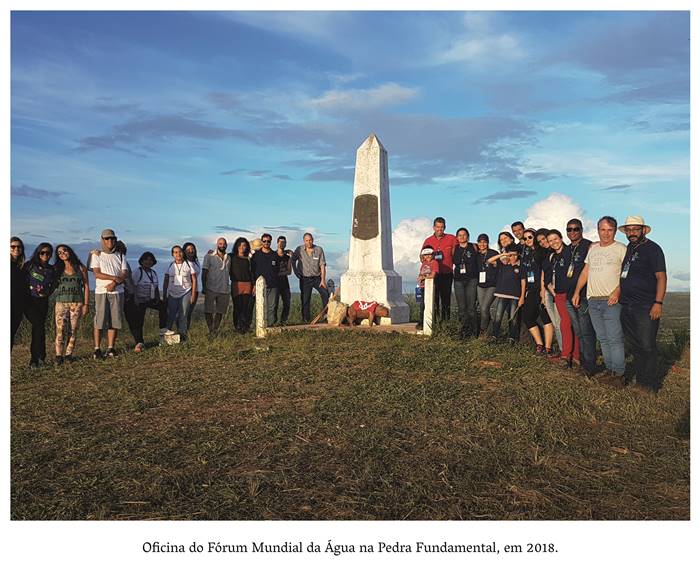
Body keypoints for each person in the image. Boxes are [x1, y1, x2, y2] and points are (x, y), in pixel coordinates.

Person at [572, 216, 627, 387]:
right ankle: (611, 371)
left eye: (610, 230)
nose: (606, 233)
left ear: (615, 231)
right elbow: (585, 272)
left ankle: (619, 374)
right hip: (593, 299)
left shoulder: (621, 249)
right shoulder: (593, 249)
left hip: (611, 300)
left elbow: (626, 274)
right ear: (597, 230)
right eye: (603, 229)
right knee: (603, 338)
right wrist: (576, 292)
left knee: (614, 339)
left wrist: (617, 291)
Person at [617, 216, 667, 394]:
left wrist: (658, 302)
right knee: (635, 345)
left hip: (645, 305)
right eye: (629, 230)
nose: (631, 233)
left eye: (635, 229)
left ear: (643, 230)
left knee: (647, 345)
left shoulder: (653, 249)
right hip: (627, 305)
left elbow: (661, 277)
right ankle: (641, 380)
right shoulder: (630, 248)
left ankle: (650, 384)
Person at [563, 218, 597, 376]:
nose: (572, 232)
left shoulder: (589, 246)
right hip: (569, 296)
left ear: (581, 230)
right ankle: (584, 362)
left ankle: (589, 365)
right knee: (579, 331)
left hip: (583, 295)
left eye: (575, 229)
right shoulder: (567, 249)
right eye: (569, 229)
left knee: (587, 332)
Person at [89, 229, 129, 359]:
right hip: (101, 291)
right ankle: (97, 349)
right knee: (99, 321)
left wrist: (114, 283)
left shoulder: (121, 255)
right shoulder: (97, 255)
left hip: (117, 292)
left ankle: (111, 348)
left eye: (112, 238)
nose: (109, 241)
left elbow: (124, 273)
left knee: (114, 321)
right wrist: (115, 278)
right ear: (102, 240)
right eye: (106, 239)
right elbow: (97, 273)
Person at [546, 229, 581, 368]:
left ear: (561, 238)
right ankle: (568, 354)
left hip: (570, 293)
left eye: (555, 239)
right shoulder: (553, 257)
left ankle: (572, 355)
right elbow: (550, 276)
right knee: (565, 324)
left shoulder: (569, 252)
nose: (553, 242)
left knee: (570, 324)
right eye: (550, 241)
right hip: (558, 294)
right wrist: (551, 289)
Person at [518, 229, 555, 355]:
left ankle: (548, 347)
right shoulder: (525, 255)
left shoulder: (543, 252)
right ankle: (540, 343)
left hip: (542, 289)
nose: (528, 240)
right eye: (525, 238)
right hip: (531, 290)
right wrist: (522, 296)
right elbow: (523, 277)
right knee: (527, 317)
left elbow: (545, 272)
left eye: (530, 237)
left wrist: (543, 291)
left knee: (545, 317)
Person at [53, 245, 89, 364]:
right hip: (61, 302)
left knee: (73, 329)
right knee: (60, 329)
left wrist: (86, 304)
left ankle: (69, 354)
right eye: (59, 253)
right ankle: (59, 355)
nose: (63, 253)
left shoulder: (80, 268)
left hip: (76, 302)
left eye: (65, 251)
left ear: (70, 251)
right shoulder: (57, 269)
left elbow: (86, 286)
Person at [24, 243, 57, 367]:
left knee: (39, 328)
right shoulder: (29, 266)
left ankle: (40, 357)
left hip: (43, 301)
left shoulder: (51, 269)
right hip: (29, 301)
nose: (45, 255)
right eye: (42, 252)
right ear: (38, 253)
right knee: (38, 325)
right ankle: (35, 358)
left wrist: (47, 293)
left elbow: (54, 285)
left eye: (48, 253)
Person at [422, 217, 457, 322]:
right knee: (434, 300)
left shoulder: (451, 238)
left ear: (445, 227)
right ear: (433, 227)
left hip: (447, 274)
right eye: (437, 227)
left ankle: (445, 324)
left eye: (442, 227)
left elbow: (459, 251)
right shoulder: (428, 240)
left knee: (446, 300)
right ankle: (435, 324)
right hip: (433, 275)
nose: (439, 229)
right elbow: (422, 257)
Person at [128, 251, 163, 352]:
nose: (148, 262)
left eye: (150, 260)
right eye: (146, 260)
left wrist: (157, 298)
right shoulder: (137, 272)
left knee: (164, 306)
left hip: (150, 299)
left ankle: (163, 330)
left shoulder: (153, 273)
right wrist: (135, 299)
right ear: (142, 261)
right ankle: (139, 342)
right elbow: (132, 286)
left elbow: (156, 287)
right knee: (139, 320)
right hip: (139, 300)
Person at [292, 232, 329, 323]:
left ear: (313, 240)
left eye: (310, 240)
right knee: (305, 299)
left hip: (317, 278)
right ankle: (306, 320)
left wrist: (323, 280)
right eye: (307, 240)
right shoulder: (299, 249)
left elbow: (322, 265)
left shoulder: (319, 249)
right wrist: (296, 272)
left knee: (325, 294)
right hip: (304, 278)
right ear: (304, 241)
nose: (309, 242)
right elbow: (293, 260)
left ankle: (326, 316)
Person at [163, 245, 197, 340]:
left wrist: (193, 294)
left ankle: (183, 336)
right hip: (172, 294)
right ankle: (166, 337)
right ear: (173, 254)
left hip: (185, 292)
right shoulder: (170, 265)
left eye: (180, 251)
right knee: (171, 315)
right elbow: (166, 280)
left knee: (183, 315)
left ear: (183, 253)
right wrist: (165, 293)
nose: (178, 254)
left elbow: (194, 279)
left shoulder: (189, 264)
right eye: (175, 252)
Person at [536, 227, 562, 352]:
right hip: (547, 290)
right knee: (555, 323)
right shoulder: (544, 254)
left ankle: (568, 352)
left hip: (557, 290)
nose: (543, 242)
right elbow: (543, 274)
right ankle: (563, 351)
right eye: (540, 241)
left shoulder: (559, 251)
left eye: (543, 239)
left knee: (561, 322)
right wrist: (543, 292)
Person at [489, 244, 520, 344]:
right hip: (502, 295)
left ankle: (511, 337)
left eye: (515, 255)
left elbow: (523, 282)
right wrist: (504, 254)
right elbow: (490, 261)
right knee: (498, 316)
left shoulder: (520, 266)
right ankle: (494, 336)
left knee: (513, 318)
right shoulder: (503, 265)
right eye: (510, 255)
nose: (513, 257)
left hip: (515, 296)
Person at [452, 227, 479, 338]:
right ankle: (464, 331)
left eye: (464, 235)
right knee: (462, 308)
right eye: (459, 235)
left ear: (468, 236)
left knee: (471, 308)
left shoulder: (474, 247)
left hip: (472, 279)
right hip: (458, 280)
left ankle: (474, 332)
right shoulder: (455, 248)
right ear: (457, 237)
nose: (462, 237)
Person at [251, 233, 282, 327]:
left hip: (273, 285)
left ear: (271, 242)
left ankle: (270, 326)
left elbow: (277, 270)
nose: (266, 243)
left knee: (272, 307)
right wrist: (254, 285)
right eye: (264, 241)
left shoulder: (274, 255)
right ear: (262, 242)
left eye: (268, 241)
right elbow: (252, 271)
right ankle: (258, 326)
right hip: (259, 286)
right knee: (259, 307)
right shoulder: (256, 255)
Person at [202, 238, 231, 335]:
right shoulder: (209, 256)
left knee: (220, 311)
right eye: (220, 243)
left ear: (226, 245)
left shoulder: (229, 257)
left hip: (224, 288)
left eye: (224, 243)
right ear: (217, 244)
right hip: (211, 287)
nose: (222, 245)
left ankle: (215, 329)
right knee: (208, 310)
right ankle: (211, 330)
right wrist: (203, 286)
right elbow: (204, 272)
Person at [475, 234, 498, 337]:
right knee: (483, 309)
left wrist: (495, 264)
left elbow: (499, 266)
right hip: (480, 285)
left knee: (484, 308)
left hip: (492, 285)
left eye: (484, 242)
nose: (482, 244)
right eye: (480, 242)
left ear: (488, 243)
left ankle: (482, 331)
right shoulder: (476, 255)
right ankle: (491, 329)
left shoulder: (493, 253)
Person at [230, 237, 254, 333]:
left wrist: (253, 285)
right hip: (236, 284)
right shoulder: (231, 256)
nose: (241, 247)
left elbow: (252, 272)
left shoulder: (249, 258)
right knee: (237, 306)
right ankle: (237, 326)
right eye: (240, 245)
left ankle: (245, 327)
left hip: (247, 284)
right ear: (236, 246)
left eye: (244, 245)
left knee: (246, 307)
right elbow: (220, 256)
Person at [416, 246, 438, 329]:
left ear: (432, 254)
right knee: (422, 305)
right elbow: (421, 273)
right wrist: (420, 277)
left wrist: (423, 277)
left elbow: (433, 275)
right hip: (422, 287)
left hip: (430, 288)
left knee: (431, 305)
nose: (428, 256)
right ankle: (421, 322)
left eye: (429, 254)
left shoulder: (434, 263)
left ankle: (431, 323)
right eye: (425, 255)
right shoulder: (424, 264)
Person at [11, 236, 27, 348]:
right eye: (13, 246)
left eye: (19, 246)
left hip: (17, 305)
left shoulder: (21, 266)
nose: (16, 248)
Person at [274, 236, 293, 325]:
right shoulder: (272, 255)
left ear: (286, 244)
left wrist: (291, 257)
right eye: (280, 242)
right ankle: (273, 322)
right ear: (277, 243)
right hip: (274, 283)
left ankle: (283, 322)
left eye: (284, 242)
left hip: (284, 283)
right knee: (274, 304)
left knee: (287, 303)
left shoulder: (287, 257)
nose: (282, 244)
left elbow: (289, 272)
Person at [183, 242, 201, 329]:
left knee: (189, 313)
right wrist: (192, 294)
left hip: (195, 290)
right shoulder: (184, 262)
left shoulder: (195, 262)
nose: (191, 251)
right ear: (184, 251)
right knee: (184, 312)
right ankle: (182, 331)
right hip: (187, 290)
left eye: (192, 249)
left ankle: (186, 332)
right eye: (188, 249)